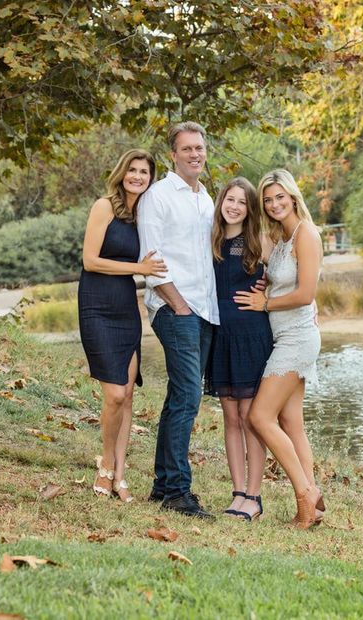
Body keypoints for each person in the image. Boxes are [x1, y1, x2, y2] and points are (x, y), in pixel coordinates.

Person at [137, 121, 219, 519]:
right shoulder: (157, 196)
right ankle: (178, 493)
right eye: (186, 148)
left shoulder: (207, 199)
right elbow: (151, 260)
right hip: (176, 310)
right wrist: (178, 305)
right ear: (173, 154)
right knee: (188, 396)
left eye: (199, 147)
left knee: (180, 397)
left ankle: (162, 485)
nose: (194, 154)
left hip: (206, 312)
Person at [234, 169, 325, 529]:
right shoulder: (282, 237)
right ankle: (314, 502)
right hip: (284, 335)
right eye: (267, 200)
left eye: (279, 197)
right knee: (291, 423)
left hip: (297, 338)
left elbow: (306, 294)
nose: (273, 204)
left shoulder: (307, 234)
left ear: (292, 195)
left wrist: (265, 305)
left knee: (259, 417)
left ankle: (304, 495)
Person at [79, 148, 167, 503]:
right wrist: (139, 270)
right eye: (132, 170)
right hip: (97, 304)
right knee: (114, 393)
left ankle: (120, 473)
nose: (137, 176)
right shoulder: (104, 206)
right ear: (122, 172)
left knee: (128, 395)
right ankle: (105, 465)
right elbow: (90, 261)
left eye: (144, 172)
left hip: (126, 308)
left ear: (150, 178)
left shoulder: (143, 214)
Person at [205, 177, 273, 521]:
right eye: (229, 200)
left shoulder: (258, 240)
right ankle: (237, 492)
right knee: (230, 418)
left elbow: (292, 275)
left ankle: (255, 496)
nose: (233, 206)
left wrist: (268, 299)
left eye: (241, 202)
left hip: (250, 335)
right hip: (221, 337)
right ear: (221, 202)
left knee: (250, 419)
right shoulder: (213, 239)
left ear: (250, 209)